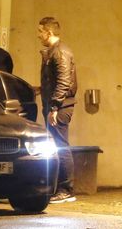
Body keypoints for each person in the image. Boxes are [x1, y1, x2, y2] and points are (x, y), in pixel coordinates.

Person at [37, 17, 77, 204]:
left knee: (61, 146)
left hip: (60, 107)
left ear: (49, 32)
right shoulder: (54, 52)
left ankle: (66, 189)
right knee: (56, 146)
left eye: (40, 31)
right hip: (56, 105)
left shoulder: (60, 53)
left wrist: (54, 106)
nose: (39, 35)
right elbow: (55, 81)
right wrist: (40, 89)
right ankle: (59, 188)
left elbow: (63, 82)